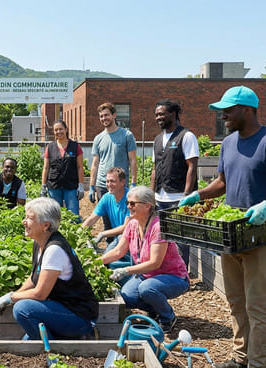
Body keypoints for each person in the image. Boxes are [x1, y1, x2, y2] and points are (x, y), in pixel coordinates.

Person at [180, 86, 266, 368]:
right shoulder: (228, 143)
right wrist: (199, 194)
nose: (223, 116)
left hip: (262, 234)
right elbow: (222, 182)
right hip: (232, 235)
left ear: (247, 109)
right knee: (236, 300)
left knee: (257, 305)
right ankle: (240, 357)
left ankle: (258, 363)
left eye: (229, 110)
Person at [0, 197, 99, 340]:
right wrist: (16, 294)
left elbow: (40, 294)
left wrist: (12, 297)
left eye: (30, 218)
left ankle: (61, 347)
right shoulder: (40, 243)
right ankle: (62, 339)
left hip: (79, 316)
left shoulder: (54, 249)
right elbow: (33, 278)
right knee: (27, 342)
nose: (24, 222)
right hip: (61, 309)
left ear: (46, 225)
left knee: (22, 309)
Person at [100, 186, 189, 333]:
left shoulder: (158, 227)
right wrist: (96, 262)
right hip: (147, 276)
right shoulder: (132, 224)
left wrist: (125, 270)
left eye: (133, 203)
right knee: (126, 296)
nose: (129, 206)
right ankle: (155, 310)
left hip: (174, 277)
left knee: (147, 289)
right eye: (128, 203)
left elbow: (155, 263)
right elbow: (118, 251)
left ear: (147, 206)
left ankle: (168, 317)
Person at [149, 99, 199, 268]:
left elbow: (192, 166)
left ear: (173, 114)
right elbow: (155, 169)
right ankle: (168, 269)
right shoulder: (157, 140)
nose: (158, 118)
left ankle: (182, 272)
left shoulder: (186, 136)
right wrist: (150, 196)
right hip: (160, 196)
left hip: (179, 196)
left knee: (181, 238)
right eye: (156, 115)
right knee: (163, 235)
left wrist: (186, 195)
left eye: (162, 114)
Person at [89, 102, 138, 238]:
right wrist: (92, 186)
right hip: (103, 184)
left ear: (114, 115)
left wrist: (133, 183)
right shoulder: (98, 138)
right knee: (107, 220)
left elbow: (133, 160)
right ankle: (111, 248)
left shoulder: (126, 135)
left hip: (121, 183)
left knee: (125, 219)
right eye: (101, 116)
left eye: (106, 115)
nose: (104, 118)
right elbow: (95, 163)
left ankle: (124, 248)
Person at [41, 120, 85, 219]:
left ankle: (74, 233)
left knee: (73, 215)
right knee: (55, 215)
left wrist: (81, 185)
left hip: (71, 186)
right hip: (54, 186)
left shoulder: (75, 146)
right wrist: (43, 186)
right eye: (56, 130)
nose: (58, 132)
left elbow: (80, 167)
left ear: (66, 129)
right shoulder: (50, 147)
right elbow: (46, 167)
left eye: (61, 129)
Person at [82, 167, 130, 254]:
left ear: (123, 182)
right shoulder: (107, 197)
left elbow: (126, 227)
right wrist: (79, 232)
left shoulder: (130, 198)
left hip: (131, 237)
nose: (109, 184)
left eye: (113, 181)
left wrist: (103, 234)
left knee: (108, 257)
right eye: (107, 181)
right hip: (118, 237)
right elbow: (92, 218)